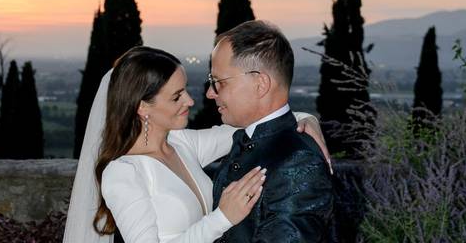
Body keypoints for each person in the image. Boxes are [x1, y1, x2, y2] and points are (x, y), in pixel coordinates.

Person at [63, 46, 329, 243]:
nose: (190, 101)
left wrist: (306, 118)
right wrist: (222, 218)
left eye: (186, 90)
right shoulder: (124, 172)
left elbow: (255, 123)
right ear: (143, 106)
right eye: (176, 97)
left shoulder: (181, 142)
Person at [206, 20, 333, 242]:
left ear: (261, 84)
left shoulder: (299, 160)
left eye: (219, 82)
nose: (210, 93)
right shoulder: (247, 139)